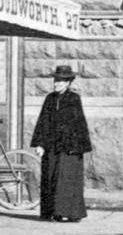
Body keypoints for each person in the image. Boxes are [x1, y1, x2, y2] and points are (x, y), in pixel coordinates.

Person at [30, 65, 92, 222]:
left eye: (60, 81)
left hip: (69, 148)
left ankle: (72, 214)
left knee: (68, 181)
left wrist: (76, 147)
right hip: (51, 147)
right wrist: (40, 144)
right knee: (50, 178)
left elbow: (79, 124)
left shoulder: (74, 99)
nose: (56, 83)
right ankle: (53, 213)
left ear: (68, 83)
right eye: (55, 80)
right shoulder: (50, 99)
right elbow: (43, 121)